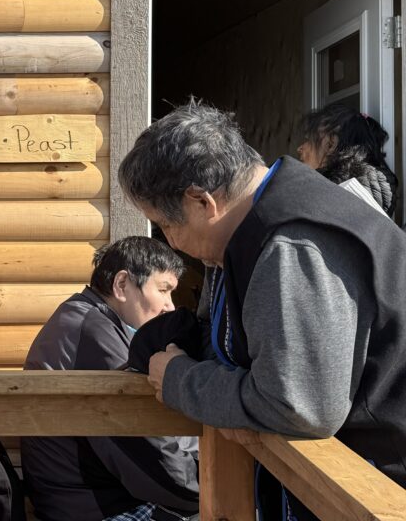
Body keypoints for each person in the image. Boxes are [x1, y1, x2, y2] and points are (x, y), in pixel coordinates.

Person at [119, 101, 406, 520]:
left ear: (201, 202)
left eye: (165, 225)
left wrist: (180, 381)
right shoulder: (246, 236)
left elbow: (300, 407)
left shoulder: (291, 244)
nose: (171, 242)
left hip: (370, 493)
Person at [22, 237, 199, 521]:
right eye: (164, 290)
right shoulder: (93, 330)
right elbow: (140, 439)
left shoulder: (86, 318)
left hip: (77, 498)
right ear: (121, 285)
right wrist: (198, 491)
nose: (170, 306)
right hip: (94, 507)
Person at [297, 103, 397, 217]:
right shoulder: (369, 184)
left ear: (331, 144)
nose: (300, 148)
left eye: (309, 140)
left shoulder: (342, 194)